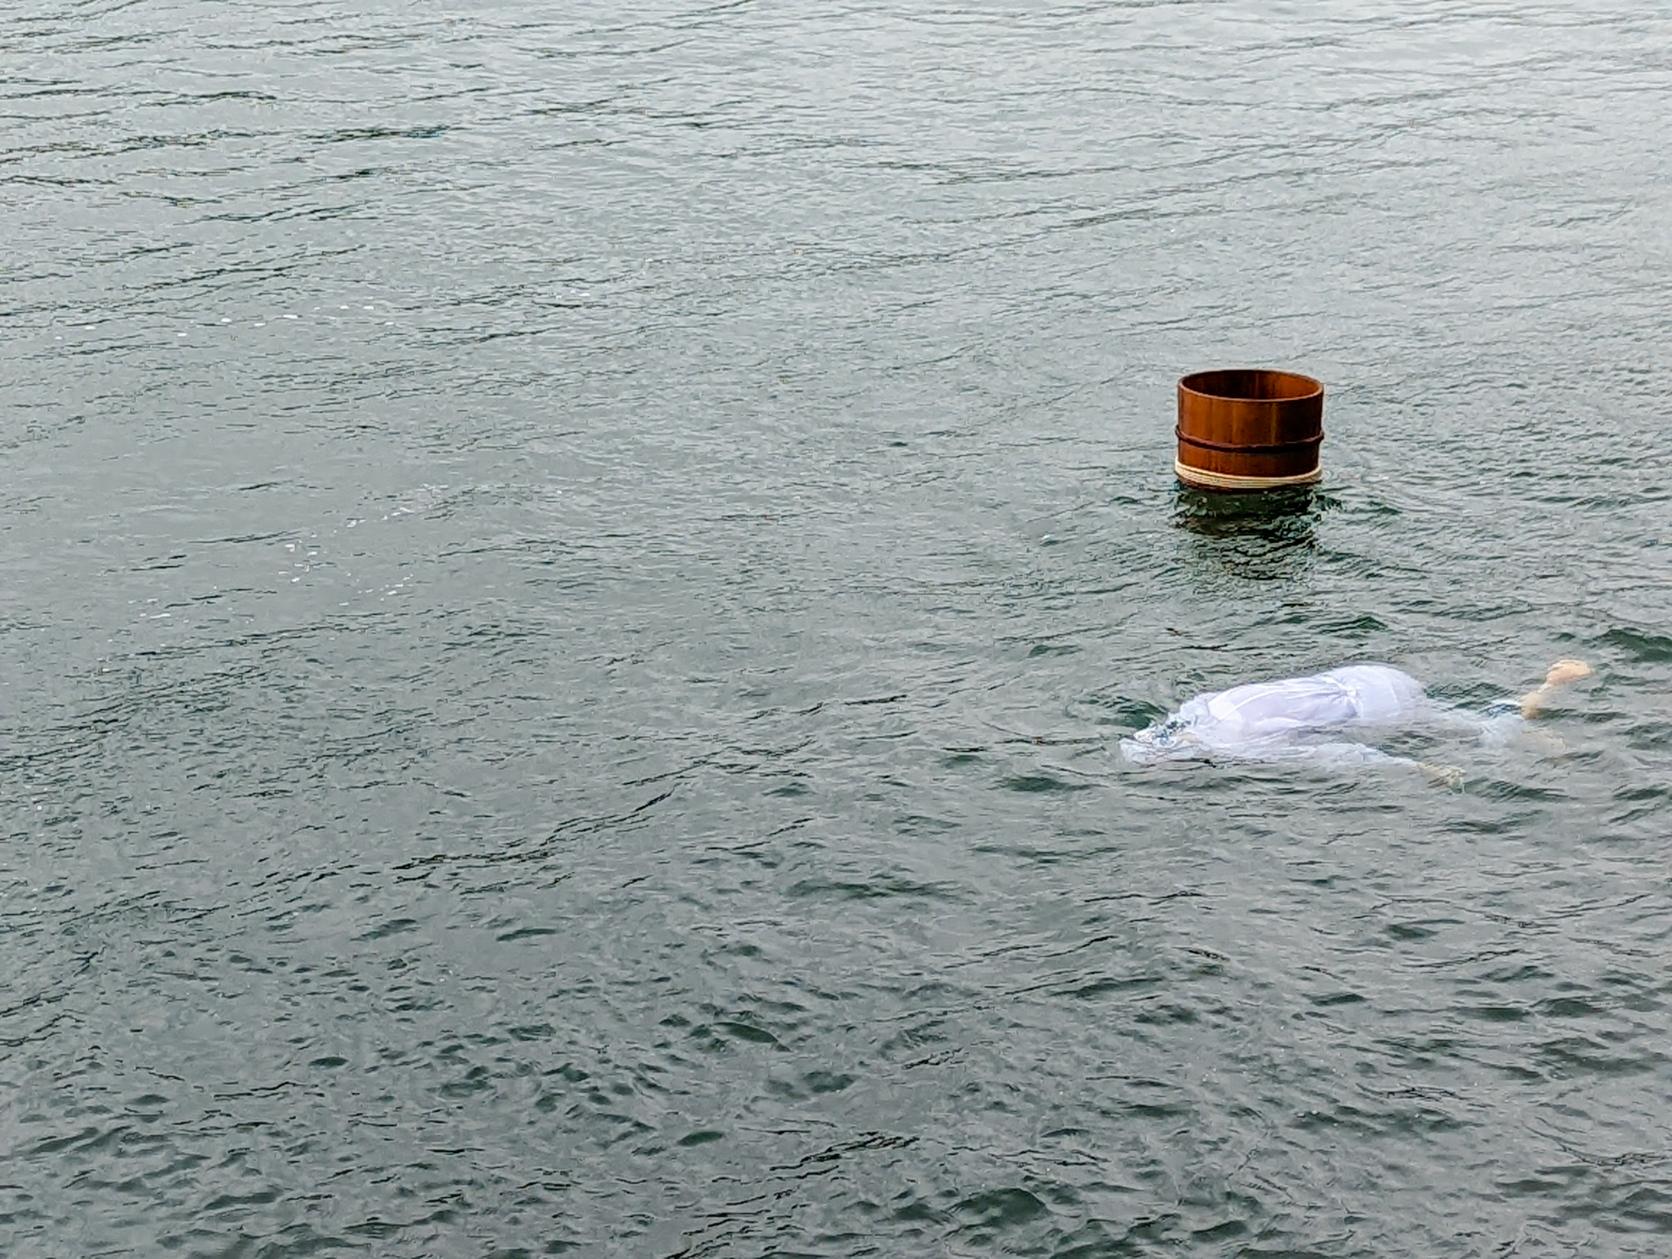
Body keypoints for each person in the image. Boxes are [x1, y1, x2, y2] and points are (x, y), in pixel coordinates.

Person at [1119, 659, 1592, 782]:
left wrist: (1413, 769)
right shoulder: (1200, 707)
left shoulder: (1236, 747)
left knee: (1482, 730)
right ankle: (1533, 713)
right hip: (1364, 675)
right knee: (1456, 719)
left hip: (1375, 709)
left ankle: (1548, 689)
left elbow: (1336, 755)